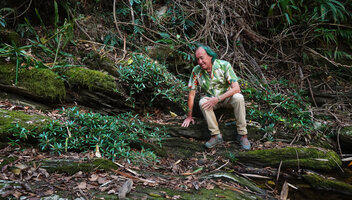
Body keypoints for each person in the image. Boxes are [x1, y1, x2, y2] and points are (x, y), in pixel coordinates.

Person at [181, 44, 251, 150]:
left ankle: (242, 135)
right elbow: (192, 93)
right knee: (202, 102)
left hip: (226, 98)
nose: (200, 62)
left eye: (202, 58)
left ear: (210, 56)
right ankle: (216, 135)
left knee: (238, 97)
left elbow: (236, 88)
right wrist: (189, 116)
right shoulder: (196, 71)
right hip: (211, 100)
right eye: (197, 59)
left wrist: (218, 99)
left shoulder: (224, 65)